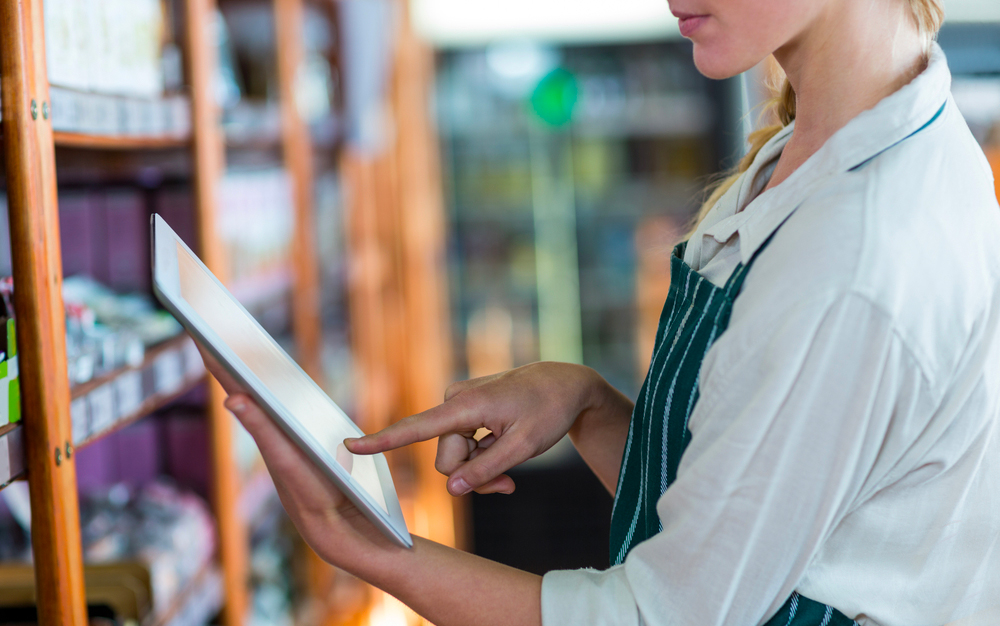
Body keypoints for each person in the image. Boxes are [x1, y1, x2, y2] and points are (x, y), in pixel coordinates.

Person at [209, 0, 1000, 623]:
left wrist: (368, 550)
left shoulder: (857, 254)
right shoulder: (831, 147)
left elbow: (664, 618)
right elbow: (750, 526)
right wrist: (587, 402)